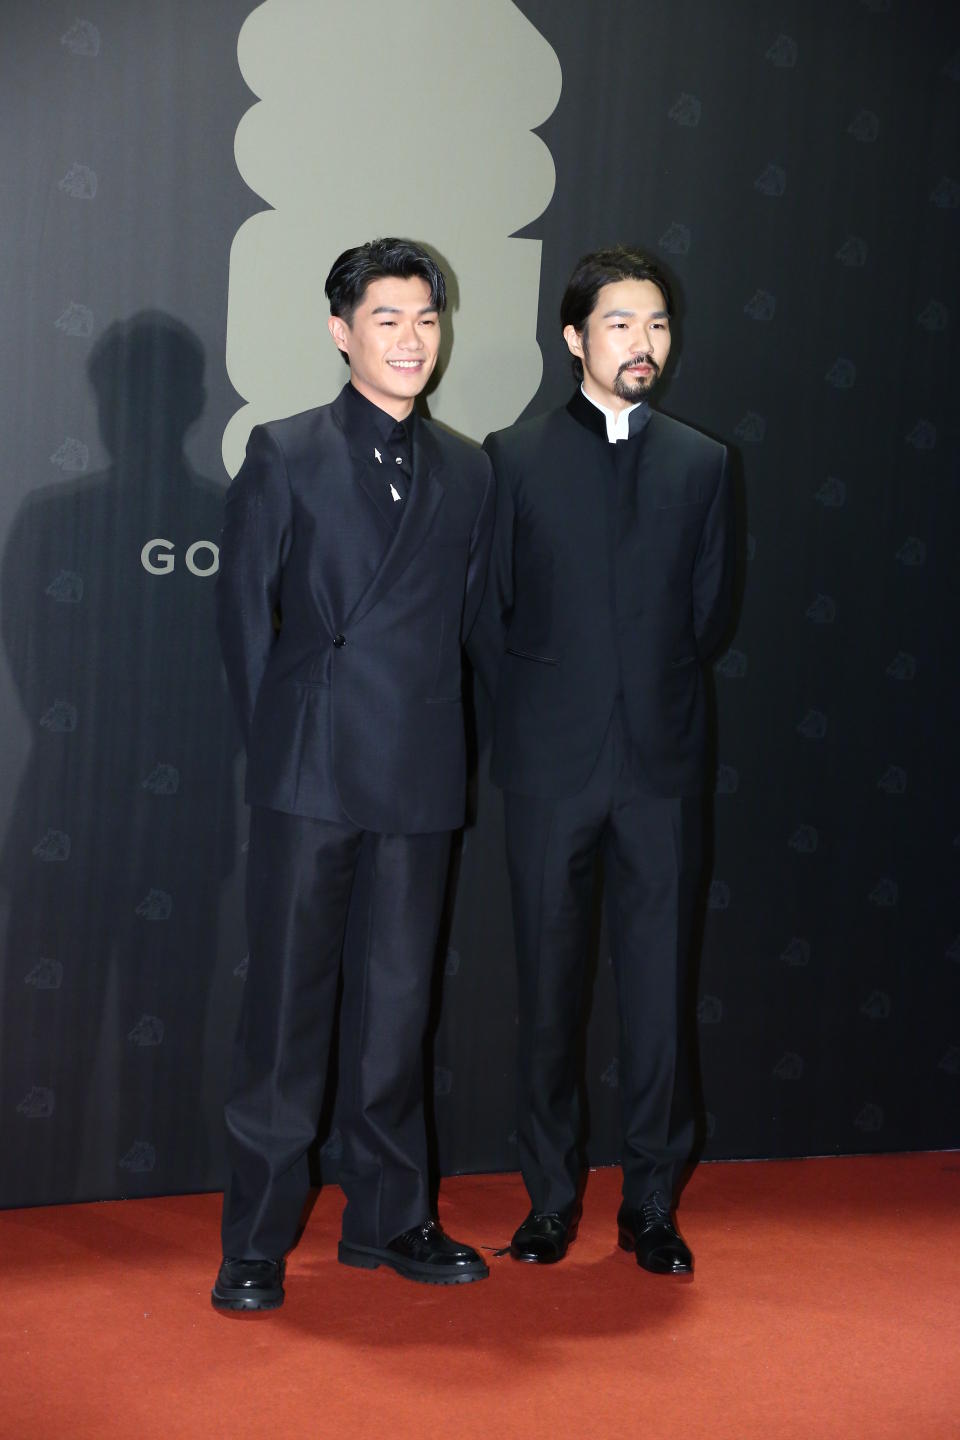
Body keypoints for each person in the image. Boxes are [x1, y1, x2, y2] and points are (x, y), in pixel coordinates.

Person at [212, 238, 494, 1309]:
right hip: (312, 770)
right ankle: (255, 1237)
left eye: (426, 317)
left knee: (398, 1007)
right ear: (341, 331)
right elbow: (244, 622)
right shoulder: (285, 453)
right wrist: (280, 749)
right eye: (387, 318)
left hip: (420, 772)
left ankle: (391, 1219)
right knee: (286, 1011)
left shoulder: (469, 468)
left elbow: (468, 628)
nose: (412, 338)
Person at [470, 246, 734, 1274]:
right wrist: (548, 714)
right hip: (548, 767)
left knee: (660, 992)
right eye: (622, 323)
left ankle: (652, 1205)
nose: (645, 343)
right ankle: (548, 1200)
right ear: (575, 337)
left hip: (662, 768)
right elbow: (489, 617)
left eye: (659, 323)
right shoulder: (514, 457)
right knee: (549, 989)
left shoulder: (703, 463)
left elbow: (709, 616)